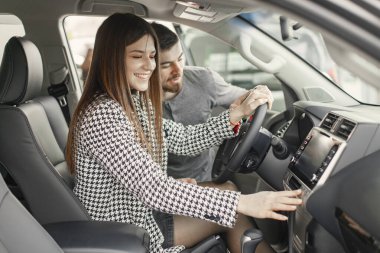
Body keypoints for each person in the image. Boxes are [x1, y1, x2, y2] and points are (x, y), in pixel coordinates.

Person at [66, 13, 302, 253]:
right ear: (111, 59)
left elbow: (182, 140)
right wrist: (245, 203)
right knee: (232, 212)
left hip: (141, 214)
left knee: (228, 192)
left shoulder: (133, 101)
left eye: (152, 56)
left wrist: (235, 114)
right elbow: (154, 189)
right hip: (124, 231)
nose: (149, 66)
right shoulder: (103, 114)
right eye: (137, 56)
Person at [151, 22, 247, 182]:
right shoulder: (135, 103)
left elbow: (245, 98)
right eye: (166, 65)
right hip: (162, 187)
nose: (178, 70)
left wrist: (258, 94)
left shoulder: (204, 79)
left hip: (205, 177)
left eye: (180, 59)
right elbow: (184, 141)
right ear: (148, 66)